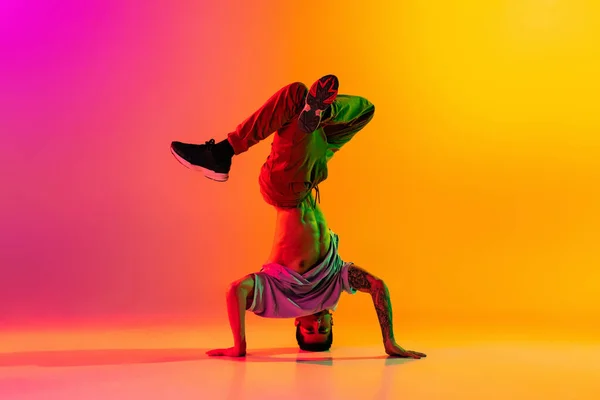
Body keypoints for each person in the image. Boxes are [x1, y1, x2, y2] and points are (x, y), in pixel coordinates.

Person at [171, 75, 426, 359]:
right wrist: (389, 342)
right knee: (363, 111)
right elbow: (378, 286)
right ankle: (318, 113)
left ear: (297, 324)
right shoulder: (336, 283)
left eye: (309, 330)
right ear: (332, 322)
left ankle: (222, 152)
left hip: (285, 190)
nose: (316, 324)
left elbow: (236, 292)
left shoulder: (280, 297)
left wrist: (240, 346)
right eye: (323, 329)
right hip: (312, 173)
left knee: (295, 94)